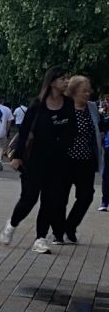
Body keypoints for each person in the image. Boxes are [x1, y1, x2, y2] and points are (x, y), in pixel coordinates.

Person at [0, 68, 74, 252]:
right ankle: (12, 224)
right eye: (63, 78)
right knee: (29, 198)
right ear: (52, 82)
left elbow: (71, 131)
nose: (67, 81)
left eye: (68, 78)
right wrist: (17, 156)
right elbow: (24, 132)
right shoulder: (37, 105)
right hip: (34, 160)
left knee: (50, 201)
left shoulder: (68, 104)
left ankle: (40, 239)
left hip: (57, 162)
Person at [59, 75, 102, 243]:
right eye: (84, 91)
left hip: (86, 161)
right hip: (66, 161)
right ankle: (58, 231)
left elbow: (99, 127)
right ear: (74, 92)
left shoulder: (91, 108)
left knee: (86, 196)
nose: (88, 93)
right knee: (61, 197)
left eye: (88, 90)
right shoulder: (64, 107)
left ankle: (70, 226)